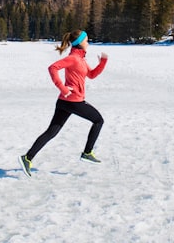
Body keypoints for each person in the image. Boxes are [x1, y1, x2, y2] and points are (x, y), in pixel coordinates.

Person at [19, 30, 108, 177]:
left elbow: (91, 75)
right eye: (86, 40)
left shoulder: (81, 60)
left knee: (51, 132)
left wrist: (102, 63)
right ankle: (87, 152)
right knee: (98, 120)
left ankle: (27, 158)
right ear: (79, 42)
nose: (88, 42)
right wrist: (63, 87)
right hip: (73, 100)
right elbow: (52, 68)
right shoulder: (73, 58)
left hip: (64, 101)